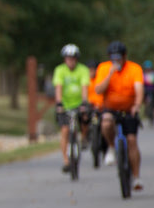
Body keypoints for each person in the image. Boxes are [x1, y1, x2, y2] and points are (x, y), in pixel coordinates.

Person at [90, 40, 145, 190]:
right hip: (110, 109)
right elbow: (98, 90)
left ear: (125, 56)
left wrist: (137, 105)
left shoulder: (134, 68)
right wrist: (110, 74)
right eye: (113, 58)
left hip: (128, 109)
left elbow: (139, 89)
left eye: (119, 58)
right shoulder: (104, 68)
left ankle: (136, 177)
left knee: (132, 140)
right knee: (106, 123)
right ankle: (112, 147)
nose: (116, 61)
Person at [52, 43, 92, 171]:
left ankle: (84, 137)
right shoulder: (60, 70)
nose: (71, 61)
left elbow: (84, 87)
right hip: (65, 104)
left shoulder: (83, 70)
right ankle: (66, 160)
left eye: (73, 58)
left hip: (79, 103)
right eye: (68, 58)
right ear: (64, 59)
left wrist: (84, 103)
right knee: (65, 131)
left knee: (85, 119)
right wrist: (59, 103)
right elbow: (59, 87)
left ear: (77, 59)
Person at [141, 60, 154, 125]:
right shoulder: (142, 74)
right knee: (145, 101)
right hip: (146, 90)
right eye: (147, 67)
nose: (148, 69)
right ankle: (146, 110)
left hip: (153, 90)